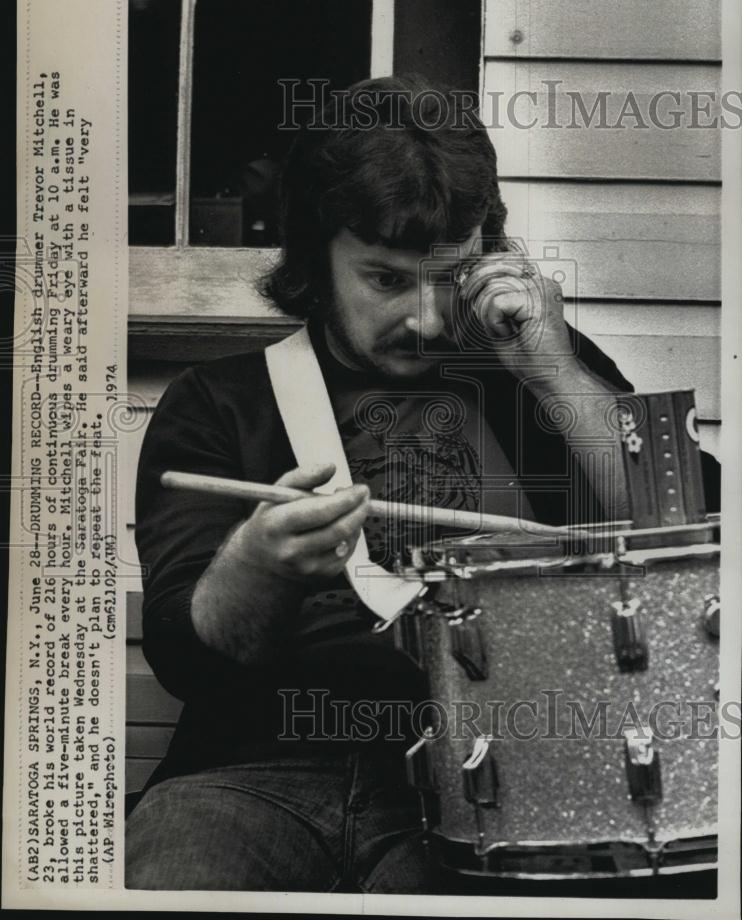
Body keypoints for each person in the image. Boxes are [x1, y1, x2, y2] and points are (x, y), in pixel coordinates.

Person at [125, 76, 719, 892]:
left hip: (495, 775)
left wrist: (554, 372)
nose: (428, 318)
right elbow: (184, 658)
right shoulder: (219, 400)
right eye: (386, 279)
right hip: (252, 775)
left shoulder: (534, 367)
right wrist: (256, 565)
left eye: (449, 276)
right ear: (315, 256)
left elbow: (698, 541)